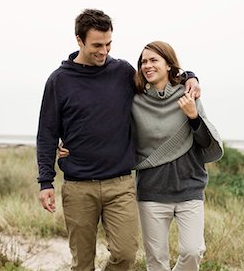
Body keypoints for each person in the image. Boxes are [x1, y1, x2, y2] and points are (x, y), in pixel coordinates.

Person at [36, 9, 200, 271]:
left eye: (108, 44)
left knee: (125, 255)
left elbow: (158, 77)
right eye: (97, 45)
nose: (104, 51)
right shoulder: (59, 81)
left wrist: (191, 75)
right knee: (82, 263)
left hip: (120, 184)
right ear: (79, 40)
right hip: (78, 187)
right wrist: (45, 181)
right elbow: (46, 134)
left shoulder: (122, 72)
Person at [59, 41, 223, 270]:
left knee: (193, 251)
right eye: (143, 61)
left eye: (154, 60)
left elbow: (206, 143)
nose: (147, 65)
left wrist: (194, 115)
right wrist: (71, 142)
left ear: (169, 65)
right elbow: (103, 119)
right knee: (156, 260)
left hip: (189, 188)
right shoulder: (134, 99)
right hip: (151, 191)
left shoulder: (188, 94)